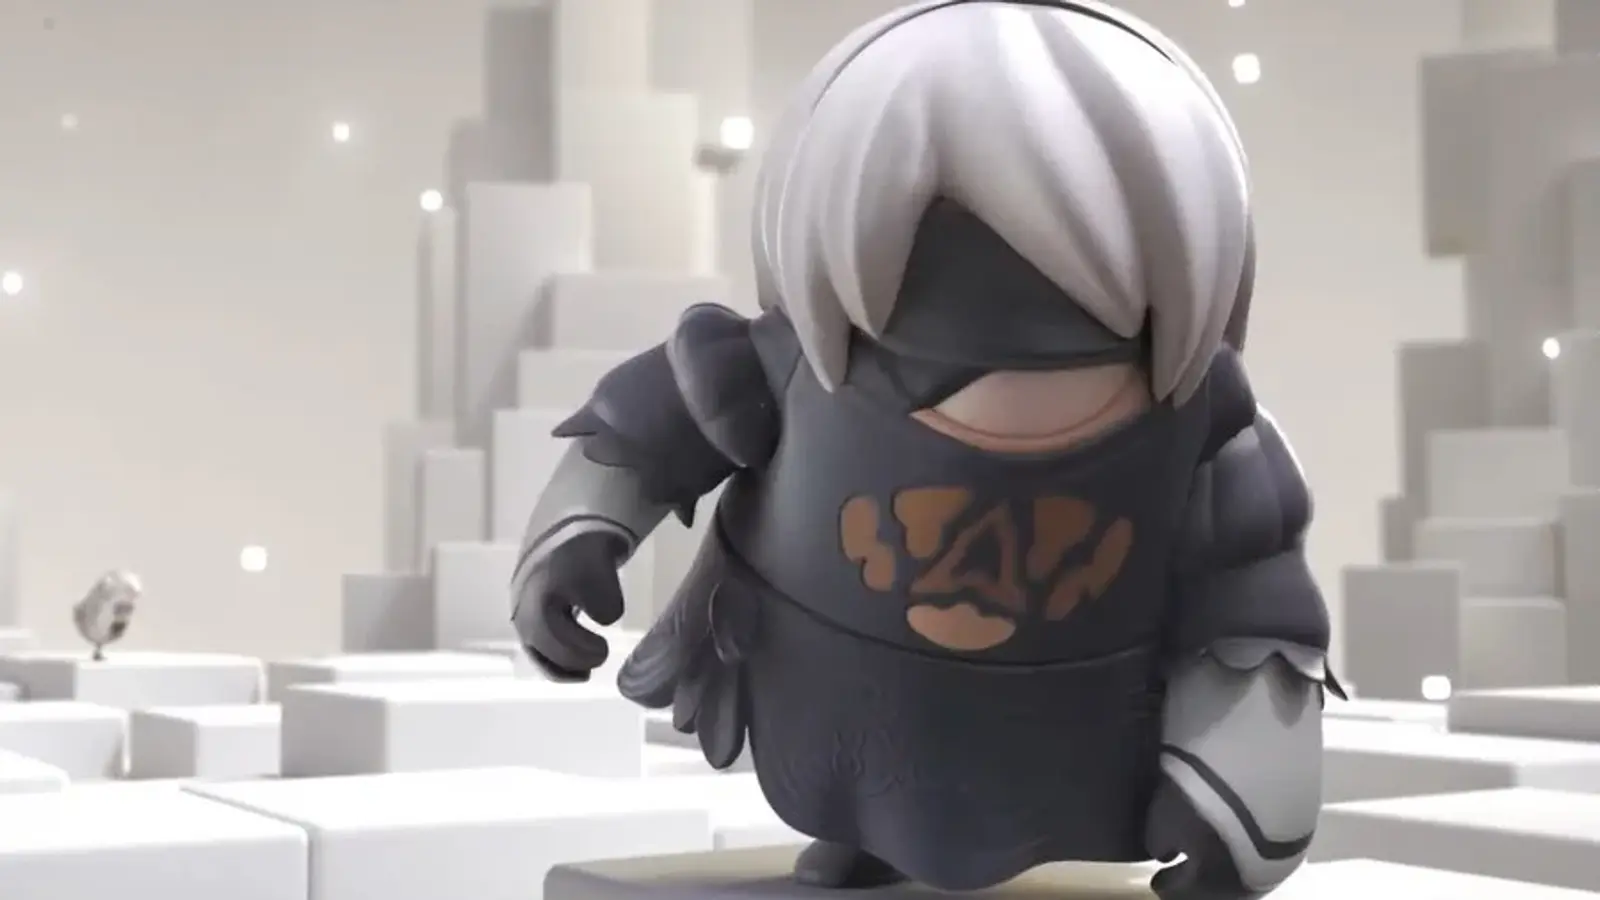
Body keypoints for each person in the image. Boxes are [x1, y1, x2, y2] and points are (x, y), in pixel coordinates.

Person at [510, 2, 1340, 897]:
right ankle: (865, 835)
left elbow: (1255, 613)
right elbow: (650, 424)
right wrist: (578, 531)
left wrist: (1244, 800)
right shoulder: (791, 369)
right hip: (835, 696)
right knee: (856, 795)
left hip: (1075, 726)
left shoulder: (1205, 435)